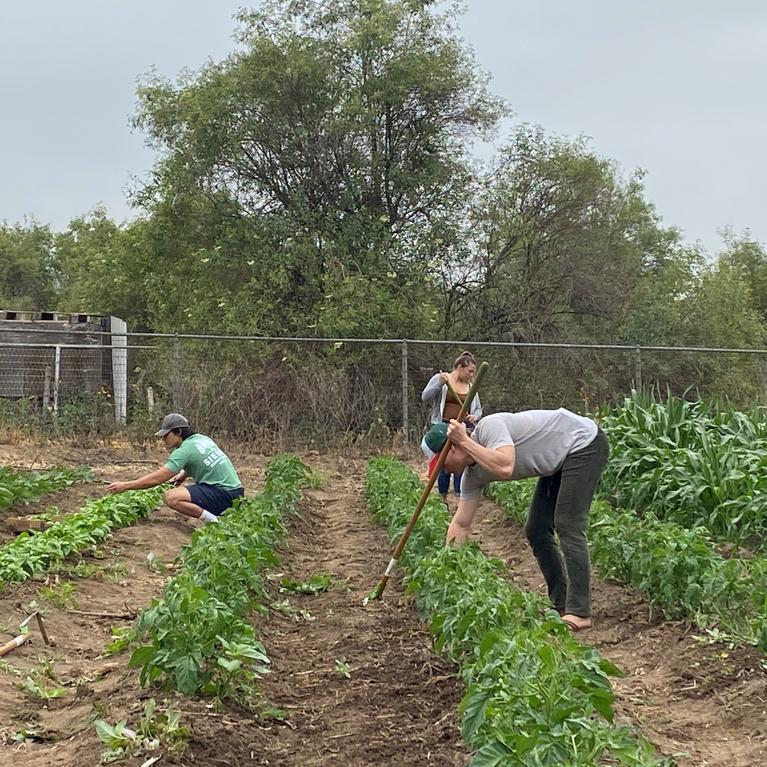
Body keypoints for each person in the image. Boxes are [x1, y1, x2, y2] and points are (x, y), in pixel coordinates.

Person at [425, 408, 608, 631]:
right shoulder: (471, 478)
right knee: (536, 529)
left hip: (583, 443)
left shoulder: (489, 428)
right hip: (558, 461)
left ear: (454, 447)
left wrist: (465, 440)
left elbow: (504, 465)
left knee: (568, 523)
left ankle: (580, 611)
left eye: (443, 463)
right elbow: (461, 524)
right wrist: (450, 571)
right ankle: (561, 602)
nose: (444, 471)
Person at [106, 413, 244, 524]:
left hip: (224, 496)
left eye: (166, 435)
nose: (163, 439)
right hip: (237, 493)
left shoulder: (182, 451)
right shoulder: (201, 439)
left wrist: (127, 485)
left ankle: (213, 521)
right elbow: (198, 461)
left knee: (172, 497)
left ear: (178, 432)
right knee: (186, 490)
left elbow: (158, 478)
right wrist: (182, 476)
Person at [421, 351, 482, 505]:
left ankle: (460, 496)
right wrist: (439, 383)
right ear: (460, 367)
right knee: (444, 463)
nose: (472, 375)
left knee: (460, 461)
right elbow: (425, 396)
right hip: (443, 427)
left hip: (461, 428)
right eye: (470, 371)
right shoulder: (442, 379)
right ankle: (443, 497)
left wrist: (475, 416)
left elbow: (478, 409)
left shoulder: (470, 386)